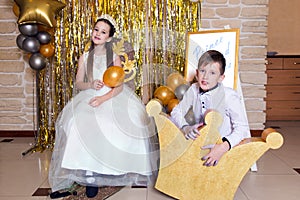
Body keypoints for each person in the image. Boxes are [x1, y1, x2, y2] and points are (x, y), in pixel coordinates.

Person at [49, 14, 157, 198]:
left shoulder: (113, 57)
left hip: (112, 97)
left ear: (108, 37)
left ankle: (106, 169)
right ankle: (89, 175)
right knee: (79, 123)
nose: (98, 33)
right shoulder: (84, 57)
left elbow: (120, 85)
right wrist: (90, 85)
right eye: (96, 29)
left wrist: (103, 98)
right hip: (90, 96)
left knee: (111, 124)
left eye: (103, 31)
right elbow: (78, 83)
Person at [170, 50, 250, 167]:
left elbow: (242, 128)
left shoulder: (229, 96)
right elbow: (176, 111)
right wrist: (185, 127)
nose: (205, 77)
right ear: (197, 73)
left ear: (221, 78)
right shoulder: (194, 89)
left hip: (224, 147)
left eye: (212, 73)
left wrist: (223, 148)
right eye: (202, 71)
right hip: (202, 144)